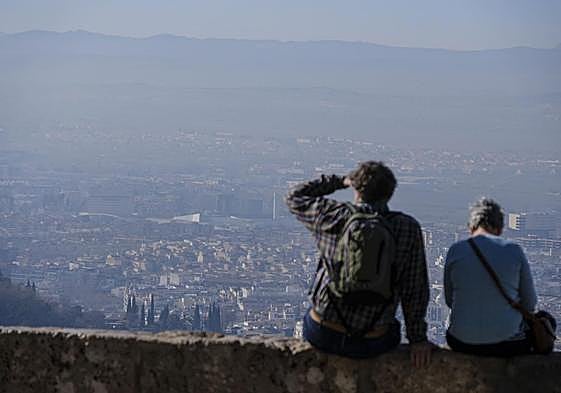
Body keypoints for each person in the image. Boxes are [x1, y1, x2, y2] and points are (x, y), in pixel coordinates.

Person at [285, 161, 432, 366]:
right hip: (374, 340)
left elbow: (294, 196)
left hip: (325, 332)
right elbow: (414, 288)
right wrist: (418, 339)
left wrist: (339, 181)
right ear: (389, 193)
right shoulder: (407, 228)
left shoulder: (333, 215)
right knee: (393, 329)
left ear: (356, 189)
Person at [444, 198, 556, 356]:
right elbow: (529, 304)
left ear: (471, 226)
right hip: (508, 344)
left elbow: (450, 301)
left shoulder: (456, 250)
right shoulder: (513, 250)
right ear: (499, 228)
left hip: (461, 342)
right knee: (546, 320)